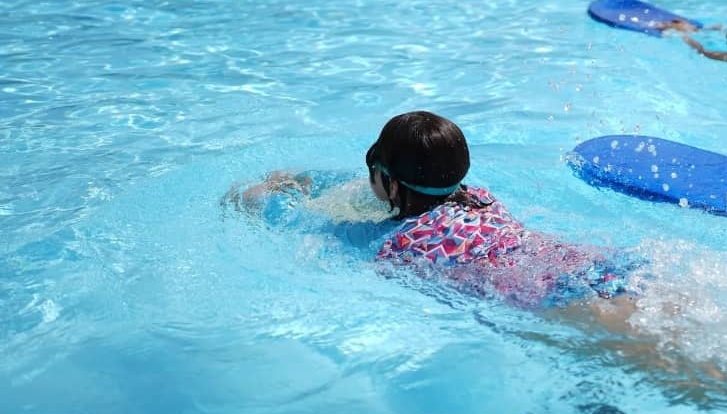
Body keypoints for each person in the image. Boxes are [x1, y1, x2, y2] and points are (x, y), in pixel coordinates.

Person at [229, 110, 631, 309]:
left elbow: (268, 208)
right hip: (583, 261)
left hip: (536, 297)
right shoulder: (481, 197)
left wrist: (257, 188)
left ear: (388, 182)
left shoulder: (382, 240)